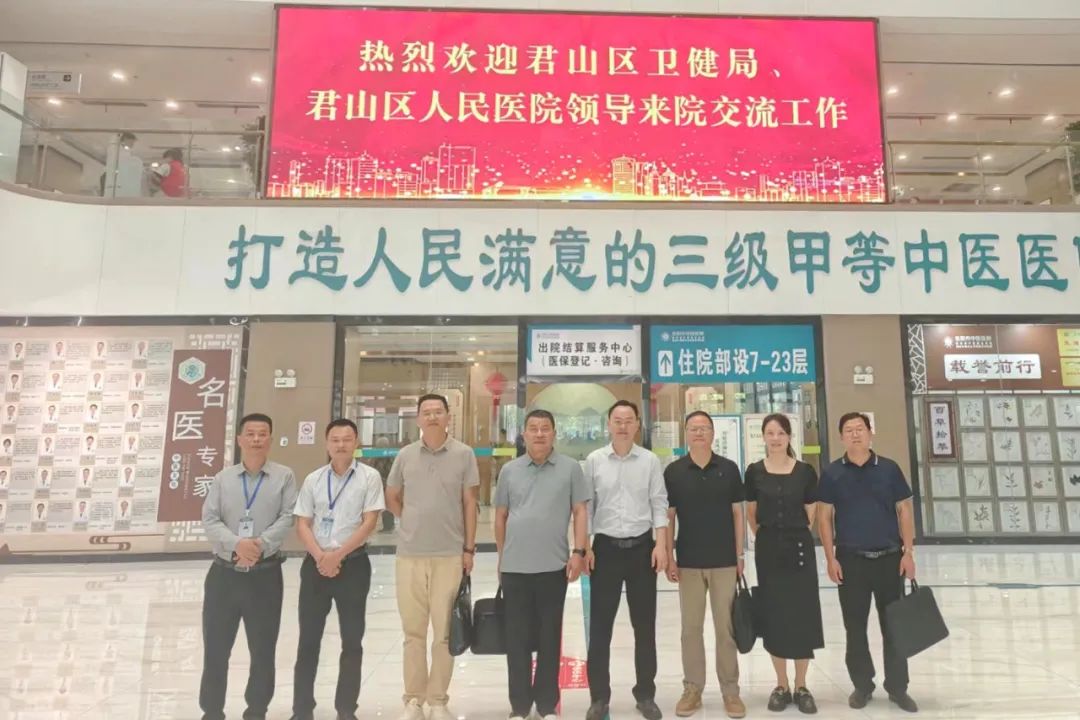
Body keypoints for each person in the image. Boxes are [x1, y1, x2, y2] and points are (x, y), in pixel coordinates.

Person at [385, 394, 480, 720]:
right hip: (410, 556)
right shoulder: (406, 455)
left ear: (448, 417)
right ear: (418, 419)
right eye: (426, 412)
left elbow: (470, 503)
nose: (432, 417)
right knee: (413, 632)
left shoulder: (464, 454)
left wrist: (469, 548)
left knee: (444, 633)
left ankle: (438, 700)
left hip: (449, 555)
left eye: (438, 411)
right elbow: (392, 495)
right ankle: (413, 699)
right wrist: (411, 520)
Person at [199, 413, 298, 720]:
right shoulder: (223, 478)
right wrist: (237, 544)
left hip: (265, 576)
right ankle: (212, 711)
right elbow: (210, 519)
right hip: (224, 575)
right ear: (240, 439)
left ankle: (256, 710)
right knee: (216, 649)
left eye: (262, 433)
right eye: (251, 434)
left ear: (270, 439)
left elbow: (288, 516)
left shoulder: (284, 476)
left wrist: (259, 545)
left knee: (263, 650)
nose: (256, 439)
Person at [818, 412, 918, 714]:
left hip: (889, 559)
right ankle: (862, 685)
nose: (855, 434)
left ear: (870, 433)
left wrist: (909, 552)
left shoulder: (889, 469)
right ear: (841, 437)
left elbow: (904, 510)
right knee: (855, 627)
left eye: (860, 429)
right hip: (851, 562)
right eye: (848, 430)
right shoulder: (832, 473)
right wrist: (830, 558)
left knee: (894, 626)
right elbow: (824, 517)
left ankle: (898, 688)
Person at [495, 409, 590, 720]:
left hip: (553, 566)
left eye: (545, 428)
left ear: (554, 434)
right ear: (523, 434)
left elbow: (580, 511)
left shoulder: (570, 468)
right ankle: (519, 706)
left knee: (550, 637)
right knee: (517, 639)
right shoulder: (509, 471)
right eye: (533, 428)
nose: (539, 434)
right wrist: (502, 557)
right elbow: (500, 516)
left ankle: (547, 704)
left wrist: (578, 551)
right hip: (515, 568)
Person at [291, 418, 384, 720]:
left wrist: (338, 555)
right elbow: (302, 523)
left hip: (353, 565)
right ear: (327, 443)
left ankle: (346, 709)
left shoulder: (369, 477)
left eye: (347, 439)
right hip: (315, 566)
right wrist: (321, 556)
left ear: (356, 442)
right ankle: (302, 709)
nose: (341, 445)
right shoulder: (314, 479)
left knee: (352, 641)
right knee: (308, 641)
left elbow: (369, 522)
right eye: (335, 439)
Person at [585, 400, 669, 720]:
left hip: (641, 550)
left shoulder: (649, 461)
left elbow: (659, 503)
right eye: (617, 420)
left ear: (637, 425)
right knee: (600, 628)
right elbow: (586, 507)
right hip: (605, 550)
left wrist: (661, 545)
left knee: (644, 627)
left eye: (628, 420)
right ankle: (599, 697)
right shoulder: (594, 460)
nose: (622, 426)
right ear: (608, 424)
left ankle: (645, 695)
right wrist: (585, 546)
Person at [664, 412, 745, 719]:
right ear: (686, 433)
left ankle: (730, 691)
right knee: (691, 629)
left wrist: (739, 556)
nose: (699, 433)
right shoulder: (674, 471)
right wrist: (670, 556)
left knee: (726, 629)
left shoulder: (728, 468)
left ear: (713, 433)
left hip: (724, 561)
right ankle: (693, 689)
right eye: (693, 428)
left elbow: (738, 514)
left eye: (704, 428)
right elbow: (669, 517)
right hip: (689, 561)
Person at [745, 414, 823, 714]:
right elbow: (751, 513)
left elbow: (811, 513)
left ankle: (801, 685)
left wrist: (791, 535)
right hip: (768, 550)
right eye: (770, 433)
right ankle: (781, 684)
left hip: (799, 549)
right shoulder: (754, 472)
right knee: (774, 615)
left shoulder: (805, 472)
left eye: (780, 433)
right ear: (763, 437)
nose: (775, 438)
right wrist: (768, 538)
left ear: (789, 437)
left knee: (801, 614)